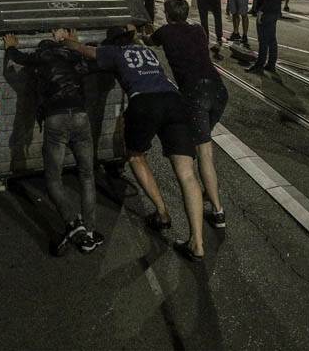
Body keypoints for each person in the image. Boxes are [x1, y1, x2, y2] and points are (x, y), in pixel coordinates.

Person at [65, 25, 205, 262]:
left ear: (113, 42)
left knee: (135, 156)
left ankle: (162, 212)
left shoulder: (114, 52)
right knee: (187, 174)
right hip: (173, 100)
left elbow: (83, 51)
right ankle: (197, 243)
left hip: (144, 103)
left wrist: (67, 40)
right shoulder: (146, 52)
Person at [3, 29, 102, 255]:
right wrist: (73, 42)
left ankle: (72, 223)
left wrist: (10, 46)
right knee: (87, 175)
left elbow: (17, 60)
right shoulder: (71, 55)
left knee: (53, 179)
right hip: (80, 116)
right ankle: (89, 230)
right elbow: (92, 59)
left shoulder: (41, 57)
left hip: (56, 119)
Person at [146, 0, 228, 229]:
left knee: (203, 151)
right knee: (201, 143)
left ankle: (218, 211)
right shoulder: (199, 30)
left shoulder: (165, 32)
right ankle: (207, 195)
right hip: (219, 90)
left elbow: (148, 40)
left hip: (195, 94)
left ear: (168, 14)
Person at [247, 0, 282, 73]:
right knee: (271, 38)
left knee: (263, 39)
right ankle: (271, 64)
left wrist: (261, 11)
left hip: (266, 13)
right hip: (272, 12)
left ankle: (260, 64)